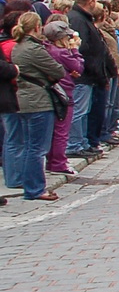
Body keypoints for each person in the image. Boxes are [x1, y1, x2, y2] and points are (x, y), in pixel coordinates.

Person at [2, 13, 66, 201]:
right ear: (37, 27)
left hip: (22, 98)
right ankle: (35, 188)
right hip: (37, 101)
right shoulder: (33, 49)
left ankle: (30, 185)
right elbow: (58, 70)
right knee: (37, 148)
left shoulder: (17, 47)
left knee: (28, 145)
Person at [65, 0, 113, 161]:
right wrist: (93, 68)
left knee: (84, 110)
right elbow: (82, 48)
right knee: (79, 111)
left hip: (90, 73)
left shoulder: (82, 18)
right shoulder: (78, 19)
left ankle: (82, 142)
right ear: (91, 1)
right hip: (84, 74)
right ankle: (75, 144)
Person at [42, 21, 82, 177]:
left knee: (54, 129)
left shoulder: (46, 49)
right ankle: (58, 162)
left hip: (52, 91)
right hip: (64, 92)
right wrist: (75, 50)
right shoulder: (62, 52)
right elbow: (78, 67)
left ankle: (52, 160)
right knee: (61, 130)